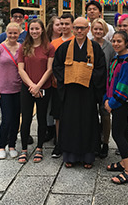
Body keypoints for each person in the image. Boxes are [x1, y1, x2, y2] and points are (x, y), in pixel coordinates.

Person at [52, 17, 106, 168]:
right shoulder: (64, 48)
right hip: (70, 93)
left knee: (88, 123)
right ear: (73, 29)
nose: (79, 31)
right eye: (76, 28)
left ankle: (88, 157)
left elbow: (101, 69)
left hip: (88, 92)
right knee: (70, 123)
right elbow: (57, 67)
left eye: (83, 28)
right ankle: (69, 156)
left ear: (88, 29)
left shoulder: (95, 48)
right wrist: (72, 75)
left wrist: (84, 74)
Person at [105, 31, 128, 185]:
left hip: (122, 102)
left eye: (119, 41)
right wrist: (106, 98)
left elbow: (124, 87)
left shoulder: (127, 61)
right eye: (113, 41)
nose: (115, 44)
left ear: (127, 43)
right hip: (114, 100)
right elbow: (111, 81)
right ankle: (123, 162)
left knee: (117, 134)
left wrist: (111, 103)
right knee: (125, 131)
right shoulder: (116, 58)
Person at [17, 18, 55, 163]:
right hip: (27, 87)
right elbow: (21, 69)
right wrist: (32, 86)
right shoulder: (24, 47)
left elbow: (49, 69)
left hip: (44, 87)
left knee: (41, 117)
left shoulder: (49, 47)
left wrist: (38, 86)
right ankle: (24, 148)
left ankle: (39, 148)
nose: (34, 32)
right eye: (32, 29)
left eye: (37, 29)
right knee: (26, 118)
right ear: (28, 30)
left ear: (42, 30)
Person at [0, 23, 24, 160]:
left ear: (19, 34)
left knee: (16, 118)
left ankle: (12, 145)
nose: (12, 36)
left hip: (18, 87)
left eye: (15, 33)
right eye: (10, 33)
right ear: (6, 33)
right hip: (4, 88)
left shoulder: (22, 48)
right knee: (6, 118)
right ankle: (1, 146)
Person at [48, 12, 75, 158]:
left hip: (72, 84)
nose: (64, 26)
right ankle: (58, 142)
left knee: (71, 114)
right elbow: (51, 65)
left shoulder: (76, 40)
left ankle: (70, 141)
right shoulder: (54, 43)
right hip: (56, 84)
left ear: (72, 25)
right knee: (58, 115)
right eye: (61, 24)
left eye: (66, 24)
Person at [91, 18, 115, 158]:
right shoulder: (88, 45)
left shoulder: (110, 47)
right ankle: (94, 141)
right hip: (91, 85)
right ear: (92, 30)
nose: (98, 31)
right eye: (96, 29)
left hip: (106, 85)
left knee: (105, 114)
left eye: (101, 29)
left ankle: (105, 142)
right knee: (91, 114)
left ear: (105, 30)